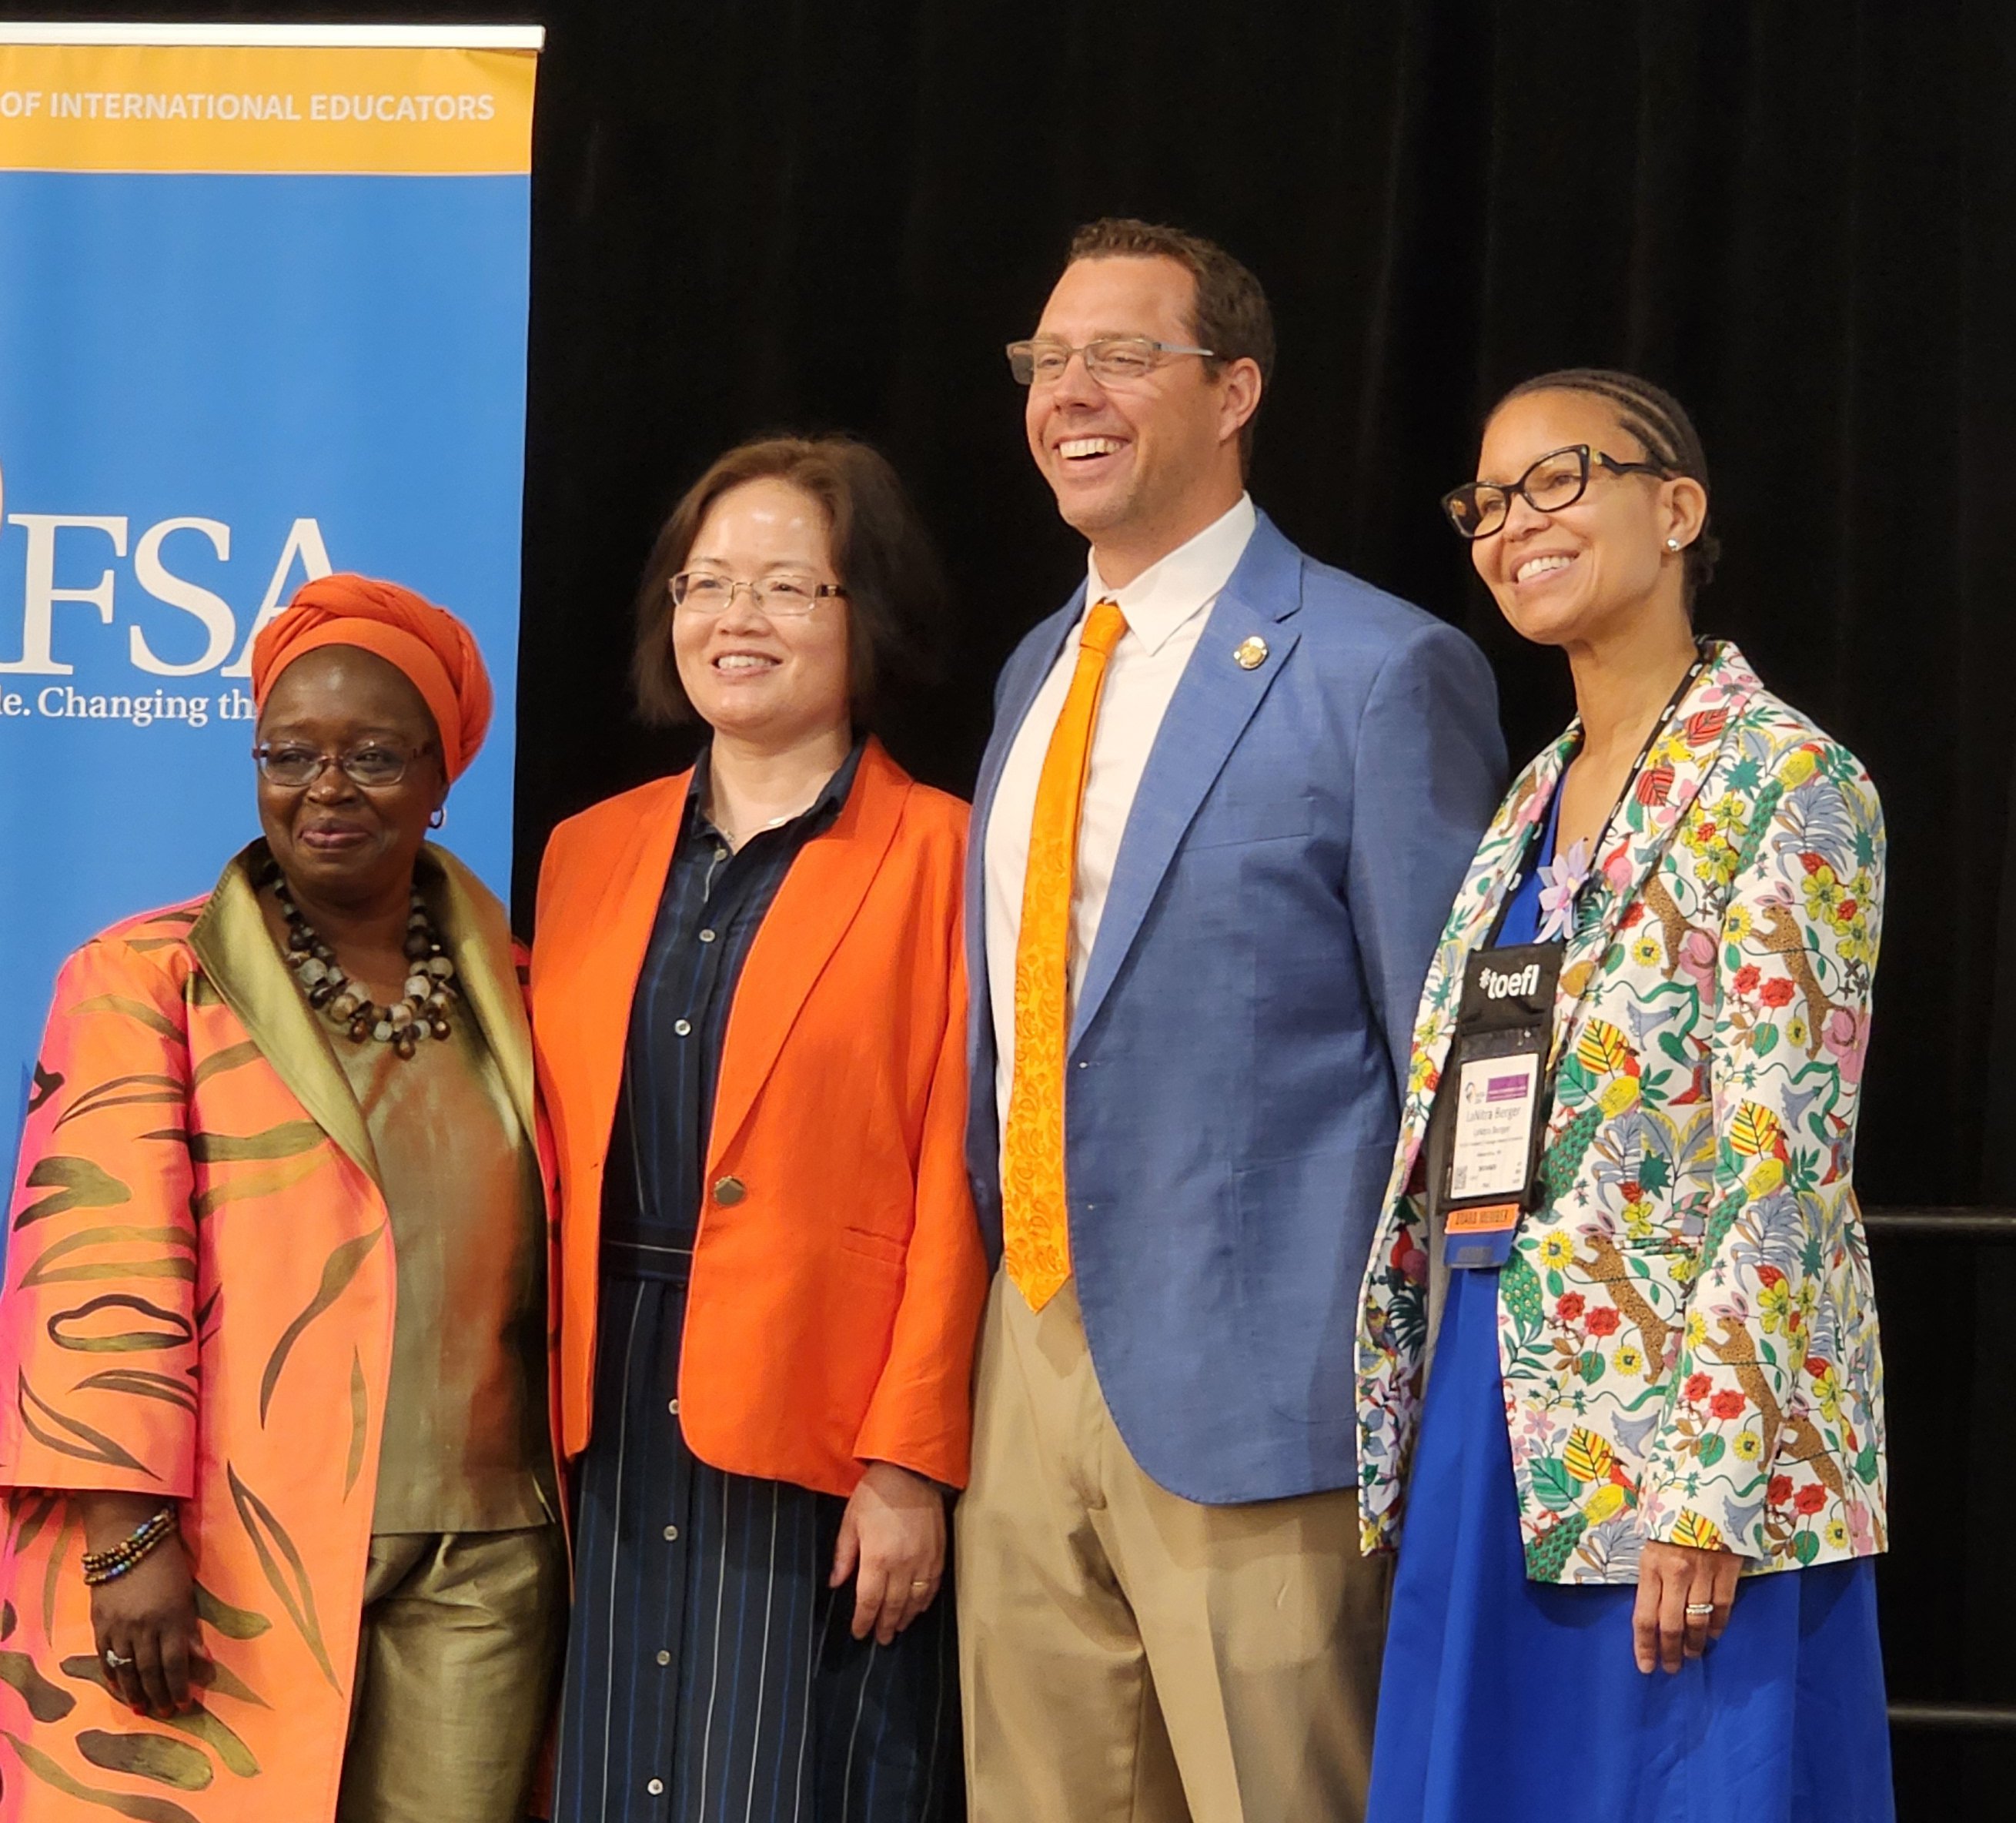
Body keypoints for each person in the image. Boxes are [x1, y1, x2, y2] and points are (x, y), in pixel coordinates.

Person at [955, 217, 1505, 1823]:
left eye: (1121, 353)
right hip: (1031, 1357)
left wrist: (1450, 1400)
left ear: (1233, 388)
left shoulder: (1379, 668)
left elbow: (1448, 1076)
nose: (1071, 388)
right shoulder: (1029, 674)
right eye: (1045, 359)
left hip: (1269, 1400)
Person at [1357, 369, 1892, 1822]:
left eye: (1558, 480)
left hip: (1678, 1431)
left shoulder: (1787, 779)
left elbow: (1785, 1161)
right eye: (1486, 499)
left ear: (1678, 509)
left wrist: (1708, 1488)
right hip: (1496, 1384)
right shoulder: (1530, 795)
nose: (1512, 523)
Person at [0, 575, 566, 1822]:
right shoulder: (143, 976)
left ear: (440, 774)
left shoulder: (531, 986)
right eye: (289, 754)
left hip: (485, 1544)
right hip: (233, 1542)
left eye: (372, 756)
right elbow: (96, 1260)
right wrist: (130, 1533)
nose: (326, 788)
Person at [531, 435, 986, 1823]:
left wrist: (908, 1464)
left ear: (871, 619)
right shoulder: (583, 850)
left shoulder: (951, 855)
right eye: (708, 583)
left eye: (790, 588)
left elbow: (959, 1187)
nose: (737, 620)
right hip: (600, 1408)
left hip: (821, 1423)